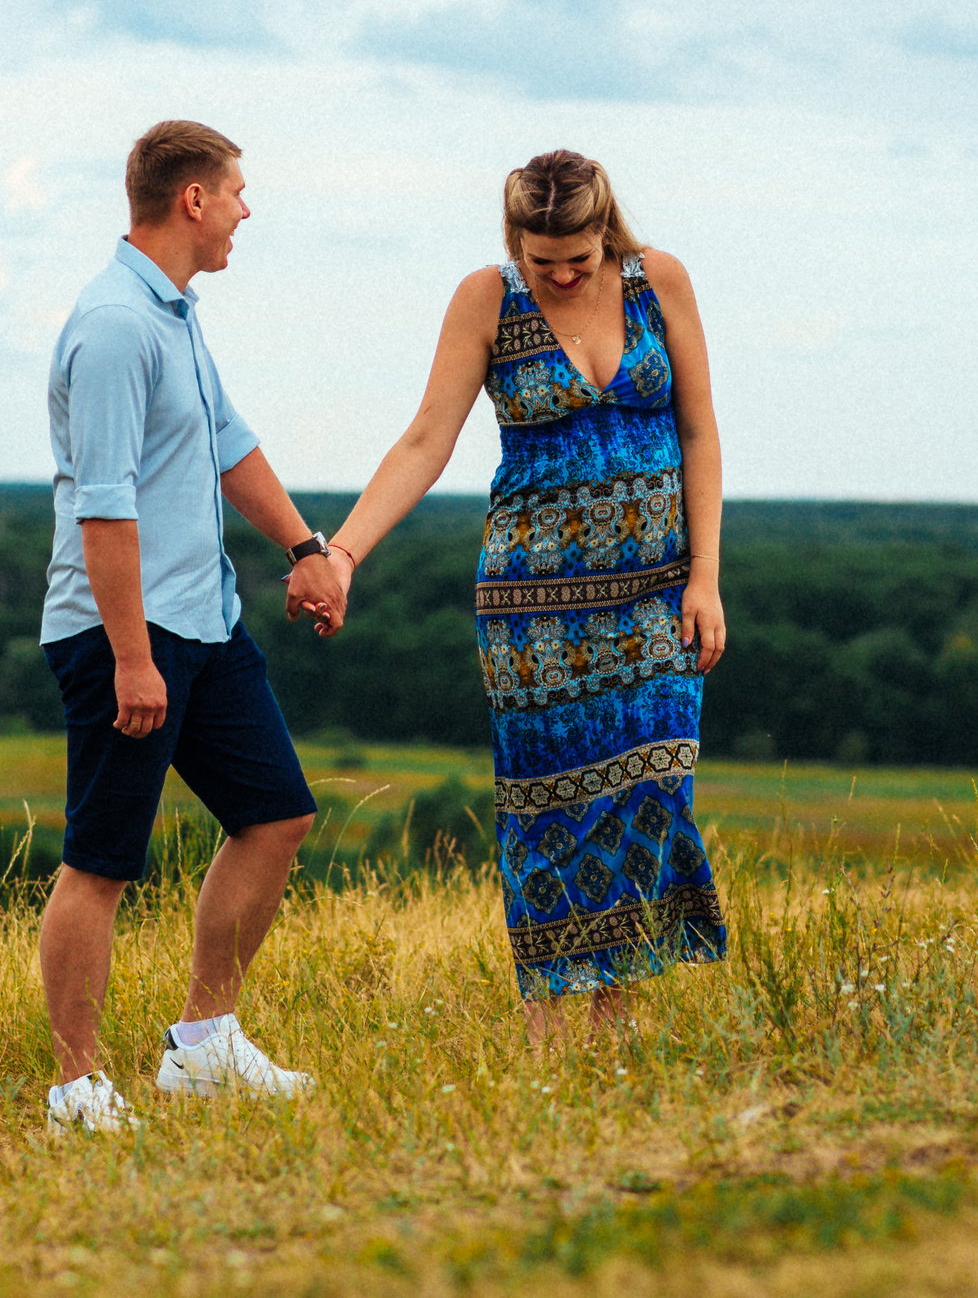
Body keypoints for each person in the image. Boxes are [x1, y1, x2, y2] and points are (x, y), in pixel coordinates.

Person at [305, 149, 728, 1042]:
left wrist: (706, 577)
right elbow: (427, 439)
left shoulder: (661, 283)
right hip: (532, 612)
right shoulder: (486, 300)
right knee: (549, 804)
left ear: (605, 227)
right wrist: (343, 550)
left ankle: (616, 1014)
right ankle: (548, 1023)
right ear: (515, 242)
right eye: (546, 261)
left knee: (652, 787)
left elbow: (698, 427)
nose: (566, 273)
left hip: (657, 597)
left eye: (579, 255)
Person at [35, 119, 343, 1133]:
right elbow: (104, 504)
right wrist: (130, 656)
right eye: (238, 192)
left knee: (276, 815)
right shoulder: (117, 324)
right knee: (103, 860)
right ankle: (77, 1088)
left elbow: (227, 442)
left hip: (204, 621)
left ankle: (205, 1045)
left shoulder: (174, 314)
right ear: (192, 199)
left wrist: (307, 548)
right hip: (126, 633)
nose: (247, 210)